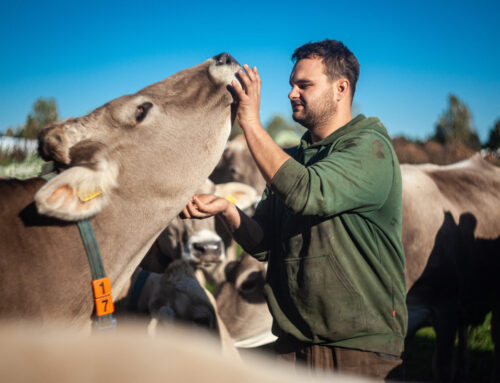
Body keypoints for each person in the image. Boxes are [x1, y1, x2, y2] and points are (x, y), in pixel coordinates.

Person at [182, 39, 407, 381]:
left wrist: (251, 124)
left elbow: (307, 192)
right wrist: (227, 210)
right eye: (291, 84)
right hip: (290, 343)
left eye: (304, 85)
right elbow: (262, 243)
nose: (291, 93)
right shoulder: (293, 159)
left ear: (340, 89)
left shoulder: (368, 147)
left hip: (357, 347)